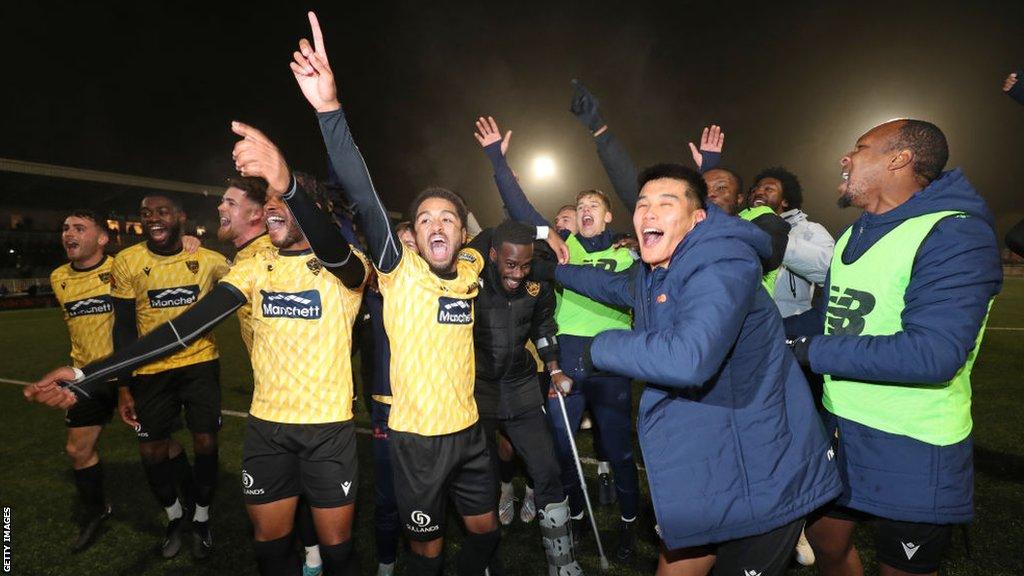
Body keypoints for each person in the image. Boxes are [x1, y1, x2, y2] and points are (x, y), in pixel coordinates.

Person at [284, 13, 570, 574]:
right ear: (412, 235)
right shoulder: (397, 269)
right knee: (427, 551)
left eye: (449, 217)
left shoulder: (470, 266)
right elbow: (364, 197)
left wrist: (544, 231)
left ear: (464, 234)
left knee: (484, 536)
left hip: (470, 434)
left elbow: (509, 233)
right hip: (417, 443)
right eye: (425, 218)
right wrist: (329, 111)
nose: (439, 224)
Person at [27, 122, 369, 576]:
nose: (271, 209)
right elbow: (180, 331)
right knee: (269, 544)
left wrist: (286, 183)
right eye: (267, 204)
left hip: (328, 431)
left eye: (282, 202)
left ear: (315, 210)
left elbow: (337, 254)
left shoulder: (348, 265)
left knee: (337, 547)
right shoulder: (253, 268)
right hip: (268, 431)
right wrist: (89, 373)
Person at [533, 162, 841, 576]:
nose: (648, 213)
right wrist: (553, 270)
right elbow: (607, 285)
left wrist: (599, 348)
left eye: (665, 203)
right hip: (709, 466)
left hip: (760, 473)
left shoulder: (722, 263)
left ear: (697, 218)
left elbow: (688, 358)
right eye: (642, 204)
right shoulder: (655, 271)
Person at [786, 119, 1002, 576]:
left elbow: (934, 355)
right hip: (841, 428)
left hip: (912, 442)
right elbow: (834, 318)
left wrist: (811, 350)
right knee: (825, 542)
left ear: (898, 159)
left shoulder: (954, 233)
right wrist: (761, 331)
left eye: (860, 148)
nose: (846, 158)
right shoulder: (854, 232)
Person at [477, 114, 642, 562]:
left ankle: (628, 525)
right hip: (566, 358)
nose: (586, 210)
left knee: (619, 446)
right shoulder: (560, 247)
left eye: (594, 205)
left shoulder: (629, 255)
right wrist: (497, 159)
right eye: (580, 205)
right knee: (560, 444)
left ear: (609, 216)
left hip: (611, 358)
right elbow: (520, 214)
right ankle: (573, 519)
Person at [567, 81, 790, 294]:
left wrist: (707, 173)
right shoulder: (685, 226)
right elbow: (633, 189)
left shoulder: (762, 226)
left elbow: (766, 253)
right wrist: (600, 130)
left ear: (741, 199)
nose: (712, 192)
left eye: (721, 188)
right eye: (706, 187)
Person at [106, 192, 230, 559]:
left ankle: (203, 517)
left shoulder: (207, 260)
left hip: (200, 363)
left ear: (180, 217)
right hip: (150, 370)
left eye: (162, 212)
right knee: (151, 451)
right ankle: (175, 515)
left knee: (206, 443)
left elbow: (247, 276)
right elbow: (124, 330)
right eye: (145, 213)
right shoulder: (127, 262)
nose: (152, 218)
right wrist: (124, 385)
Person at [463, 219, 583, 575]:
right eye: (510, 264)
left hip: (521, 386)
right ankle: (485, 557)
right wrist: (543, 229)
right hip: (478, 389)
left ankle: (562, 562)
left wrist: (556, 367)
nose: (517, 273)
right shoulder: (473, 279)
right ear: (493, 255)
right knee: (478, 475)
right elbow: (488, 233)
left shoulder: (537, 286)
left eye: (525, 264)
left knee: (547, 468)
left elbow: (544, 328)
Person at [50, 210, 118, 552]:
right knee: (77, 449)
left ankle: (185, 510)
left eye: (79, 228)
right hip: (85, 377)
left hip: (128, 372)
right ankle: (96, 511)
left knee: (158, 446)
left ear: (102, 238)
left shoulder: (121, 269)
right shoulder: (58, 277)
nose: (69, 234)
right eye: (65, 228)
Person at [748, 167, 834, 318]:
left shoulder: (809, 229)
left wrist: (779, 242)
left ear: (785, 201)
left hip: (789, 323)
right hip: (749, 323)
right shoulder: (740, 228)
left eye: (768, 189)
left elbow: (830, 271)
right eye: (756, 189)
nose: (759, 192)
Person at [216, 176, 275, 353]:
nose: (220, 207)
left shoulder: (264, 257)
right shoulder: (246, 253)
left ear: (255, 214)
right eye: (222, 201)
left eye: (231, 203)